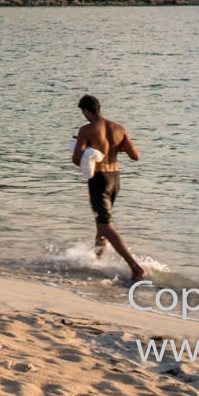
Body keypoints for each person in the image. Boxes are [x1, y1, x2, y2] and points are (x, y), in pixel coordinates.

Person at [71, 93, 146, 282]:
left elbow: (76, 159)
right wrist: (118, 147)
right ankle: (97, 261)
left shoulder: (86, 130)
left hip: (99, 180)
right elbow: (135, 156)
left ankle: (136, 267)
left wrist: (86, 147)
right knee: (101, 224)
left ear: (86, 111)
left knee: (105, 225)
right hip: (115, 179)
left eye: (83, 112)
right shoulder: (119, 128)